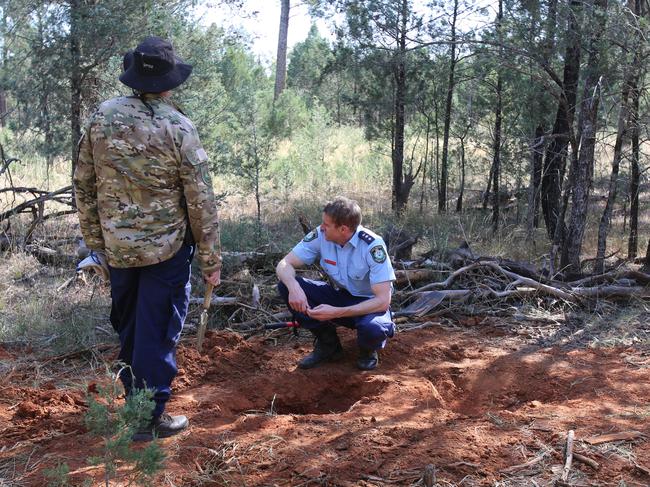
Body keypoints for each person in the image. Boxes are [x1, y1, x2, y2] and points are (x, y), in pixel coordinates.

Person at [73, 36, 221, 441]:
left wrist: (96, 244)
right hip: (166, 250)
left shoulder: (101, 118)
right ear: (169, 81)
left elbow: (82, 185)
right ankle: (147, 419)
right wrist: (211, 261)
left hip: (117, 250)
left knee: (131, 328)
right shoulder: (178, 126)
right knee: (155, 333)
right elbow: (200, 200)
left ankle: (135, 404)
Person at [276, 196, 395, 370]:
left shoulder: (372, 246)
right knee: (285, 285)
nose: (321, 227)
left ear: (343, 229)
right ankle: (328, 344)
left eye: (326, 224)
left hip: (370, 305)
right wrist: (294, 288)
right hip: (341, 296)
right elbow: (284, 264)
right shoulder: (321, 235)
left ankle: (368, 350)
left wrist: (336, 313)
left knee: (373, 328)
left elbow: (383, 301)